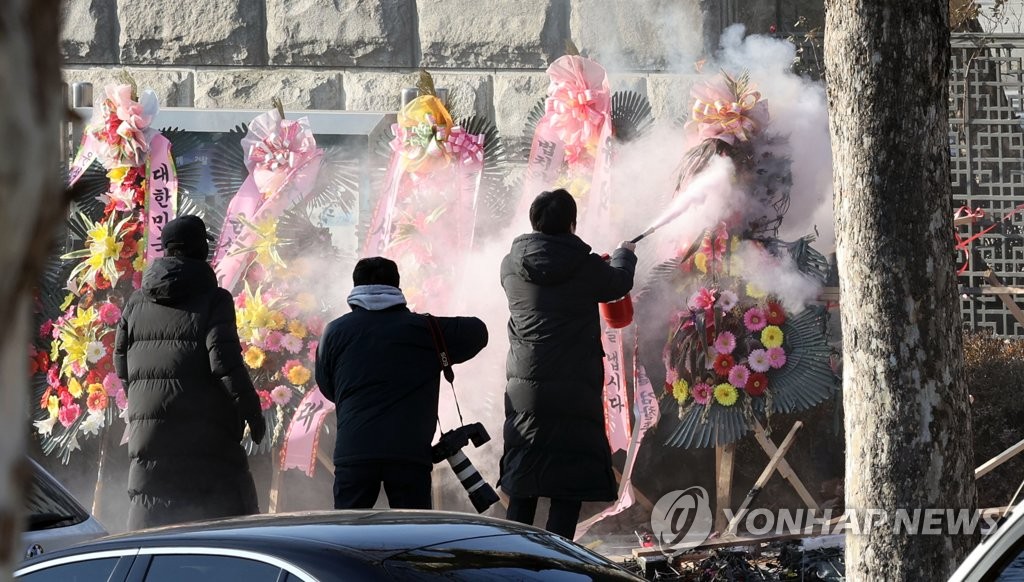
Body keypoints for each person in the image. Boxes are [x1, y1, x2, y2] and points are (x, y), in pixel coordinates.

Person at [498, 189, 637, 539]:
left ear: (534, 221)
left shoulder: (510, 266)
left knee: (524, 476)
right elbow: (617, 283)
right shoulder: (585, 265)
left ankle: (512, 560)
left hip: (525, 388)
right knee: (568, 480)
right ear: (572, 224)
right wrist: (624, 254)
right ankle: (555, 561)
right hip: (575, 387)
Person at [114, 215, 266, 530]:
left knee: (152, 529)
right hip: (207, 434)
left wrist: (145, 406)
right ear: (201, 250)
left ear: (166, 249)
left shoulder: (136, 303)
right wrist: (251, 410)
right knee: (222, 531)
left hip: (151, 435)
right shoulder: (215, 299)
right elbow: (223, 361)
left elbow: (121, 364)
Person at [316, 257, 488, 510]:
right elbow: (478, 331)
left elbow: (327, 386)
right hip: (409, 452)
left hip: (355, 449)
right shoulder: (426, 329)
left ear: (354, 288)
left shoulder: (334, 331)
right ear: (397, 286)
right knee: (413, 535)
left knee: (348, 535)